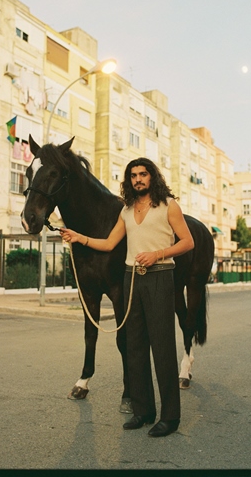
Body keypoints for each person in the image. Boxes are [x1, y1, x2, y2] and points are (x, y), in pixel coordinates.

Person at [60, 157, 194, 438]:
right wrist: (78, 237)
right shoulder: (127, 211)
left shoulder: (169, 206)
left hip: (159, 276)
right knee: (133, 346)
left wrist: (158, 253)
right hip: (131, 277)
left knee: (162, 348)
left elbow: (187, 242)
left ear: (152, 177)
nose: (138, 179)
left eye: (143, 174)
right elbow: (109, 243)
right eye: (133, 175)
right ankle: (143, 411)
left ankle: (170, 417)